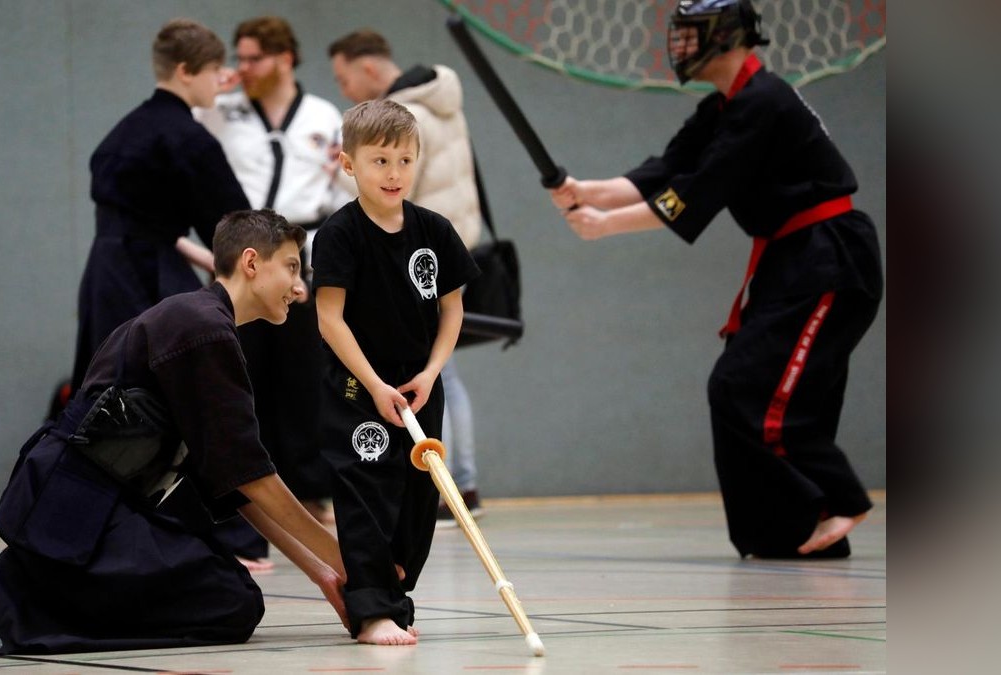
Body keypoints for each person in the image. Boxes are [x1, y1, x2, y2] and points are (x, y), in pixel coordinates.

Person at [547, 0, 882, 559]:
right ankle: (790, 530)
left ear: (726, 36)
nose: (678, 45)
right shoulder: (723, 108)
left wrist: (605, 225)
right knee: (749, 388)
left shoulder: (763, 102)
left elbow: (697, 193)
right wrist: (586, 190)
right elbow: (665, 171)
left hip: (829, 256)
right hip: (792, 259)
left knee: (751, 387)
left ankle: (839, 497)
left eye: (690, 33)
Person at [0, 209, 349, 654]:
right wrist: (348, 561)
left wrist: (324, 572)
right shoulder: (203, 328)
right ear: (251, 262)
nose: (299, 286)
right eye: (291, 267)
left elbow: (236, 481)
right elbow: (253, 476)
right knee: (233, 602)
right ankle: (40, 611)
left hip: (89, 510)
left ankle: (45, 599)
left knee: (231, 594)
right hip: (76, 514)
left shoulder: (201, 321)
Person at [311, 100, 480, 644]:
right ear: (349, 163)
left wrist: (431, 373)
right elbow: (330, 319)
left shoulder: (434, 230)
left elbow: (452, 311)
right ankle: (372, 611)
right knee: (365, 494)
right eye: (380, 160)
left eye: (405, 160)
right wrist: (376, 385)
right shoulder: (339, 234)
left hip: (420, 387)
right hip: (359, 388)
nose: (394, 173)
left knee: (417, 501)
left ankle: (391, 591)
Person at [195, 16, 347, 534]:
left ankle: (306, 490)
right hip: (242, 254)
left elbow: (340, 191)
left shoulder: (323, 115)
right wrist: (214, 93)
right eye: (238, 57)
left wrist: (323, 265)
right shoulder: (224, 111)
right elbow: (190, 141)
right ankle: (245, 496)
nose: (244, 68)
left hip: (301, 252)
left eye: (253, 58)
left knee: (303, 378)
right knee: (239, 375)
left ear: (284, 58)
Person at [327, 29, 486, 525]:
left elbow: (392, 192)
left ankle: (443, 485)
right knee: (444, 378)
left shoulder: (405, 117)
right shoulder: (445, 104)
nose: (395, 170)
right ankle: (460, 483)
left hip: (415, 248)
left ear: (368, 68)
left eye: (344, 78)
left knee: (437, 376)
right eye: (381, 161)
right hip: (434, 240)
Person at [71, 18, 250, 393]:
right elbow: (239, 228)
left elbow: (144, 223)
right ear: (186, 71)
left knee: (106, 390)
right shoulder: (188, 141)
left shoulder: (123, 133)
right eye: (215, 70)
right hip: (148, 279)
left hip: (103, 277)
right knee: (162, 391)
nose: (221, 79)